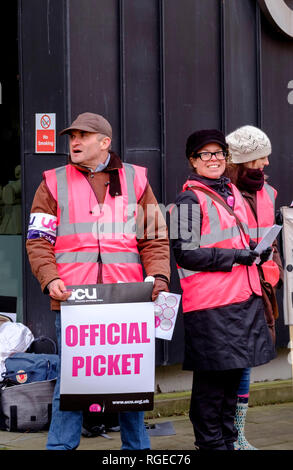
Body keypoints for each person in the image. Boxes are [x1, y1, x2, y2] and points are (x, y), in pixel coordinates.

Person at [26, 112, 170, 451]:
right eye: (71, 136)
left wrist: (158, 277)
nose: (74, 142)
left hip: (128, 298)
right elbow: (38, 240)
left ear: (105, 142)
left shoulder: (135, 179)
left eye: (83, 136)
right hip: (74, 298)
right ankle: (60, 447)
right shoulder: (52, 181)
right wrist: (50, 279)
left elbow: (154, 237)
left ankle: (137, 451)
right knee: (71, 381)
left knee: (130, 380)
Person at [171, 129, 275, 450]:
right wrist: (238, 257)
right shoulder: (187, 200)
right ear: (193, 161)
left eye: (219, 154)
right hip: (209, 306)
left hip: (241, 299)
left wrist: (257, 248)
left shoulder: (230, 191)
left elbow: (233, 238)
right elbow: (185, 252)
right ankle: (211, 444)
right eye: (206, 154)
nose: (214, 160)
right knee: (211, 386)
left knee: (231, 383)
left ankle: (228, 441)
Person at [226, 125, 283, 450]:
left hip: (261, 287)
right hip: (228, 290)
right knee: (228, 365)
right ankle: (223, 435)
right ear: (243, 160)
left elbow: (269, 239)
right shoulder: (219, 192)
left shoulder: (269, 193)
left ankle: (238, 435)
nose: (265, 164)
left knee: (246, 361)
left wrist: (271, 267)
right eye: (260, 158)